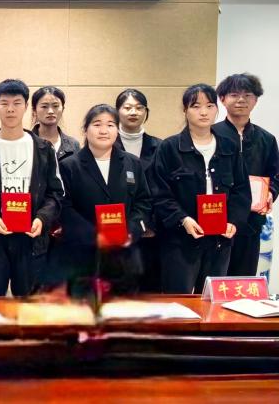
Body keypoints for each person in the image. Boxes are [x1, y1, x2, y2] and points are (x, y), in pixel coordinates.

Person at [0, 79, 63, 298]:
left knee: (31, 308)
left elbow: (55, 194)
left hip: (31, 239)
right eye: (4, 103)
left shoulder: (44, 149)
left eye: (17, 103)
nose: (10, 109)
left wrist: (42, 218)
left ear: (26, 107)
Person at [151, 84, 251, 294]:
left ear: (217, 109)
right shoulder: (169, 148)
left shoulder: (229, 147)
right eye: (196, 106)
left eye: (209, 106)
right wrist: (183, 219)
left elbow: (241, 191)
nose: (204, 112)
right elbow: (159, 192)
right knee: (178, 302)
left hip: (219, 241)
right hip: (180, 240)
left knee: (212, 300)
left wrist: (233, 221)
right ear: (185, 110)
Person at [45, 104, 151, 295]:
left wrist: (131, 230)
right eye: (97, 124)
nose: (104, 130)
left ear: (117, 130)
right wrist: (93, 235)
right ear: (86, 130)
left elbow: (143, 202)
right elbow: (64, 208)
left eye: (110, 125)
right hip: (82, 256)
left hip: (123, 255)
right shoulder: (69, 166)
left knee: (121, 309)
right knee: (84, 310)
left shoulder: (132, 163)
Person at [214, 73, 279, 277]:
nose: (241, 100)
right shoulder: (211, 135)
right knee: (214, 278)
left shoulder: (266, 139)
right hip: (216, 218)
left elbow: (275, 174)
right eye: (234, 95)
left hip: (251, 220)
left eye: (247, 95)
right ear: (222, 99)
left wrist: (271, 193)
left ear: (255, 100)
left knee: (243, 279)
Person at [113, 88, 163, 292]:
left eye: (139, 108)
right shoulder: (105, 145)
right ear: (117, 112)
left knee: (150, 290)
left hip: (151, 232)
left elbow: (164, 188)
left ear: (146, 112)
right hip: (116, 229)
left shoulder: (160, 146)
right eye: (127, 108)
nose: (133, 112)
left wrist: (148, 224)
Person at [31, 86, 80, 162]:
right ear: (34, 110)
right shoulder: (26, 142)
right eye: (44, 106)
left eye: (55, 106)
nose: (50, 111)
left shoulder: (73, 145)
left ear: (63, 109)